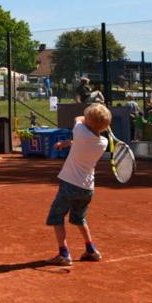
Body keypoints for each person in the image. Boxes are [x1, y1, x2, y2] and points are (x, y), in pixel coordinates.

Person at [46, 103, 112, 266]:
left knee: (56, 217)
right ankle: (91, 250)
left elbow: (78, 118)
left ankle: (64, 254)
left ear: (88, 120)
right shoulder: (103, 142)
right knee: (79, 218)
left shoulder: (80, 129)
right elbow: (83, 141)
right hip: (87, 188)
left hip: (70, 184)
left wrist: (89, 116)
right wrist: (68, 143)